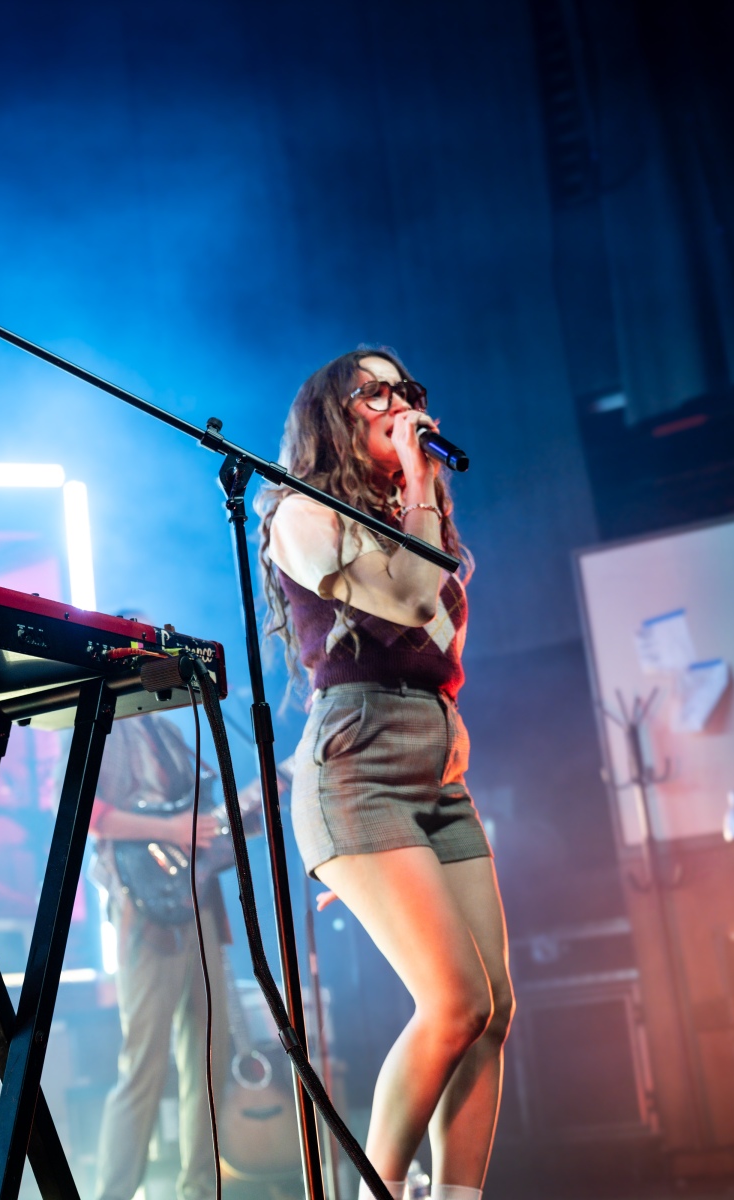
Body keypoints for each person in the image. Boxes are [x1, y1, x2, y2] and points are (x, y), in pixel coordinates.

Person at [255, 349, 513, 1200]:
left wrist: (448, 721)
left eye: (407, 389)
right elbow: (406, 598)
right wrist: (419, 483)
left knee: (492, 1010)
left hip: (435, 772)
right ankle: (379, 1191)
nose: (399, 403)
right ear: (334, 415)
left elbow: (436, 651)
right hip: (357, 768)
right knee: (453, 1000)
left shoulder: (414, 512)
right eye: (376, 392)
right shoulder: (300, 513)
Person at [88, 682, 231, 1200]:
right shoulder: (99, 724)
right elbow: (90, 815)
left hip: (199, 899)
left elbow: (200, 814)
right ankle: (113, 1194)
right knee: (144, 1063)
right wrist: (172, 829)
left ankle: (200, 1191)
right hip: (142, 908)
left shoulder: (168, 729)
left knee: (212, 1056)